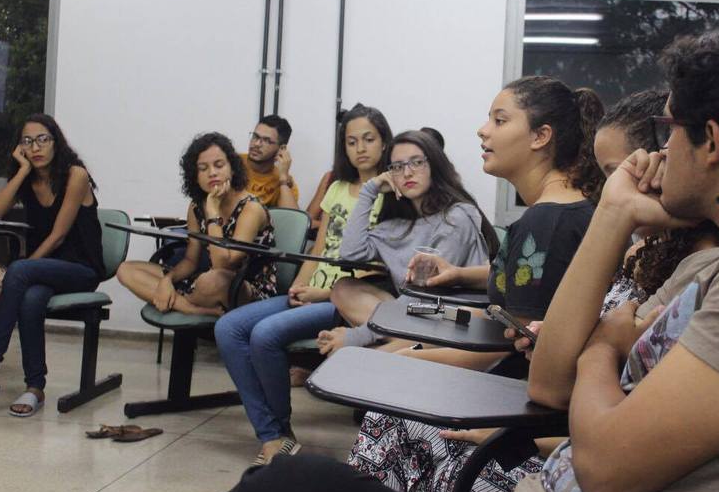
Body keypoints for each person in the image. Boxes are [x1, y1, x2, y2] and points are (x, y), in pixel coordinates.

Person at [207, 28, 719, 492]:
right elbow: (548, 381)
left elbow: (607, 469)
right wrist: (614, 215)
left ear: (711, 142)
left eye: (673, 131)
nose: (660, 151)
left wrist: (604, 343)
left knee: (282, 491)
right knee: (279, 488)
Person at [347, 89, 719, 492]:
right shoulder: (646, 250)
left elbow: (563, 389)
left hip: (545, 425)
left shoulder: (552, 223)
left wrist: (595, 347)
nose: (608, 188)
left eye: (499, 119)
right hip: (551, 411)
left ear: (540, 136)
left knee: (387, 416)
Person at [318, 76, 603, 358]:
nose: (483, 130)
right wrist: (458, 273)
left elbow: (514, 350)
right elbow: (525, 283)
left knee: (387, 354)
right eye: (397, 166)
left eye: (499, 121)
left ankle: (388, 349)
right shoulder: (552, 214)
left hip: (489, 369)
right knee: (347, 292)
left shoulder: (543, 222)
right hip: (448, 315)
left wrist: (403, 360)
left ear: (540, 136)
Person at [213, 104, 393, 465]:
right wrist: (297, 287)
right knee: (228, 327)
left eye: (368, 140)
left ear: (385, 142)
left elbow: (383, 270)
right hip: (313, 292)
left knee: (265, 334)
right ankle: (275, 435)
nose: (360, 148)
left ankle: (275, 435)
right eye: (351, 141)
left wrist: (322, 294)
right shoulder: (338, 187)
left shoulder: (392, 194)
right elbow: (319, 247)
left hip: (349, 301)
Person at [314, 129, 499, 353]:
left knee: (358, 360)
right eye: (398, 167)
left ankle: (380, 349)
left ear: (434, 166)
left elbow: (428, 295)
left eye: (417, 162)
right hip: (414, 313)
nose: (407, 173)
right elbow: (350, 253)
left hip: (454, 317)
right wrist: (370, 191)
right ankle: (394, 343)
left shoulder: (457, 216)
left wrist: (358, 335)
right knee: (342, 289)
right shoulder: (394, 226)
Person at [0, 114, 104, 417]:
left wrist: (11, 277)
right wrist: (21, 172)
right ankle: (35, 387)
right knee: (31, 299)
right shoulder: (30, 180)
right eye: (27, 141)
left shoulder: (76, 175)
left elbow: (58, 236)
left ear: (56, 142)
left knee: (19, 273)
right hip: (41, 271)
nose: (36, 147)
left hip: (81, 269)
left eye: (43, 139)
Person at [117, 133, 276, 316]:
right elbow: (191, 261)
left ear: (232, 169)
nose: (212, 173)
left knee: (211, 280)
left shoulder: (251, 209)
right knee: (126, 269)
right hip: (204, 280)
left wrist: (213, 213)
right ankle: (188, 307)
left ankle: (182, 303)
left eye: (219, 165)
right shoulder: (196, 206)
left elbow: (222, 265)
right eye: (203, 168)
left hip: (244, 288)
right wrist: (167, 280)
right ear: (195, 176)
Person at [242, 115, 298, 209]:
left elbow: (289, 220)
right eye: (255, 136)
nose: (257, 144)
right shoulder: (232, 163)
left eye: (267, 141)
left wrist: (283, 179)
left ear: (281, 148)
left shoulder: (284, 181)